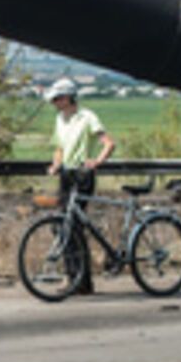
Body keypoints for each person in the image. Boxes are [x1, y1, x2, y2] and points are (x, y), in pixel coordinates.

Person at [44, 78, 115, 294]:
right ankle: (76, 278)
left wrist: (97, 162)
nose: (54, 102)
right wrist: (56, 165)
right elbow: (59, 147)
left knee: (73, 225)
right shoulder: (60, 119)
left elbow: (109, 143)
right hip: (66, 174)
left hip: (83, 175)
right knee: (63, 225)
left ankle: (79, 280)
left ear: (68, 98)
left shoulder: (87, 117)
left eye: (57, 98)